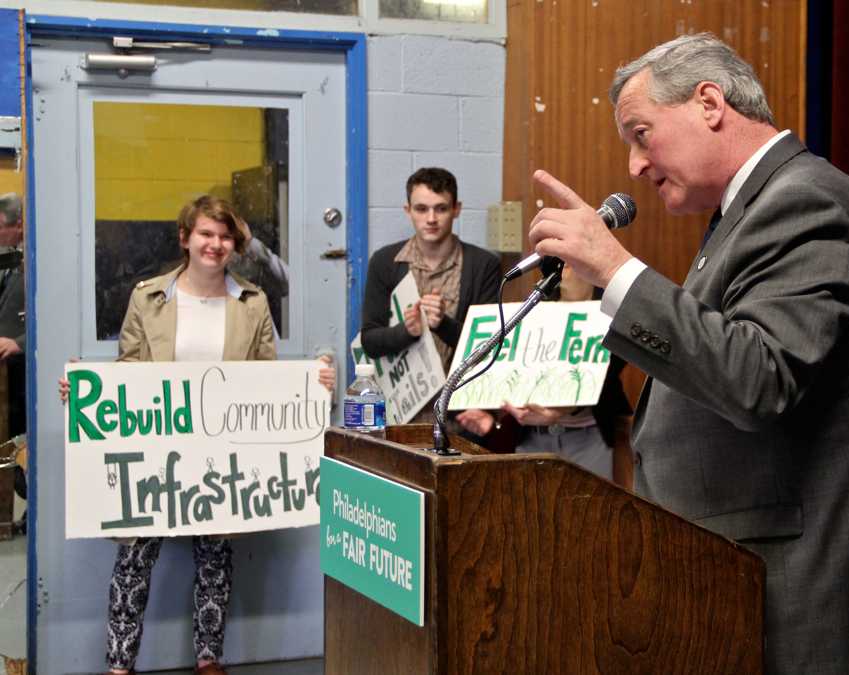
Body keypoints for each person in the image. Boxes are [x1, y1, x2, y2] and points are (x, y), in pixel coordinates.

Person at [527, 33, 849, 674]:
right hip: (743, 575)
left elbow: (758, 378)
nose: (634, 165)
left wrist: (616, 268)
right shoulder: (747, 211)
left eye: (641, 133)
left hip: (808, 594)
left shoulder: (805, 200)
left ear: (709, 103)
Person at [60, 196, 335, 675]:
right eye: (206, 234)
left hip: (220, 453)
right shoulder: (149, 297)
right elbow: (129, 370)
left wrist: (314, 383)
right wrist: (88, 392)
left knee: (214, 555)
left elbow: (264, 380)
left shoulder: (252, 302)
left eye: (226, 236)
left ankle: (209, 659)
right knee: (135, 556)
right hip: (156, 451)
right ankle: (119, 664)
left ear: (235, 244)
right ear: (185, 238)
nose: (216, 244)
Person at [455, 265, 632, 480]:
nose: (564, 263)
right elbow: (515, 374)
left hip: (590, 438)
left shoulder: (616, 312)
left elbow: (610, 371)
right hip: (533, 438)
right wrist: (492, 415)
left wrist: (564, 408)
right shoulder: (534, 307)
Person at [360, 167, 501, 422]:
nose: (431, 218)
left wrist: (442, 324)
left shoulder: (483, 265)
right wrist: (407, 331)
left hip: (459, 414)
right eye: (421, 209)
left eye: (441, 208)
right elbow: (369, 340)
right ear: (408, 211)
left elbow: (490, 347)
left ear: (456, 209)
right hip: (399, 413)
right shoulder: (385, 261)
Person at [0, 193, 25, 533]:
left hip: (24, 375)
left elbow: (54, 321)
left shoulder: (38, 261)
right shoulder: (9, 262)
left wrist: (18, 343)